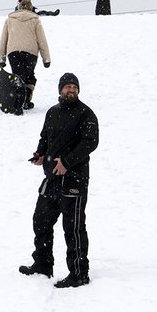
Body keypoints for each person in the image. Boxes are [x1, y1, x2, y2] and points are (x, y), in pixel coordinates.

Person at [19, 72, 99, 288]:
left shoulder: (86, 114)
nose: (71, 89)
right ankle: (43, 264)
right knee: (41, 220)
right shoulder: (52, 113)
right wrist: (40, 154)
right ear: (60, 90)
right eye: (67, 86)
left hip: (74, 180)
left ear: (79, 90)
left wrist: (67, 162)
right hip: (52, 178)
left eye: (74, 86)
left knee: (73, 227)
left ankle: (79, 273)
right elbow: (45, 137)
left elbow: (90, 143)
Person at [0, 0, 52, 111]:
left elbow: (3, 40)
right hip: (30, 53)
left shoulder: (9, 20)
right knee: (29, 76)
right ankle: (26, 100)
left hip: (13, 52)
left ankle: (18, 99)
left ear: (18, 7)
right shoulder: (35, 20)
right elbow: (42, 40)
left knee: (18, 75)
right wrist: (46, 59)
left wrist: (1, 59)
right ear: (31, 8)